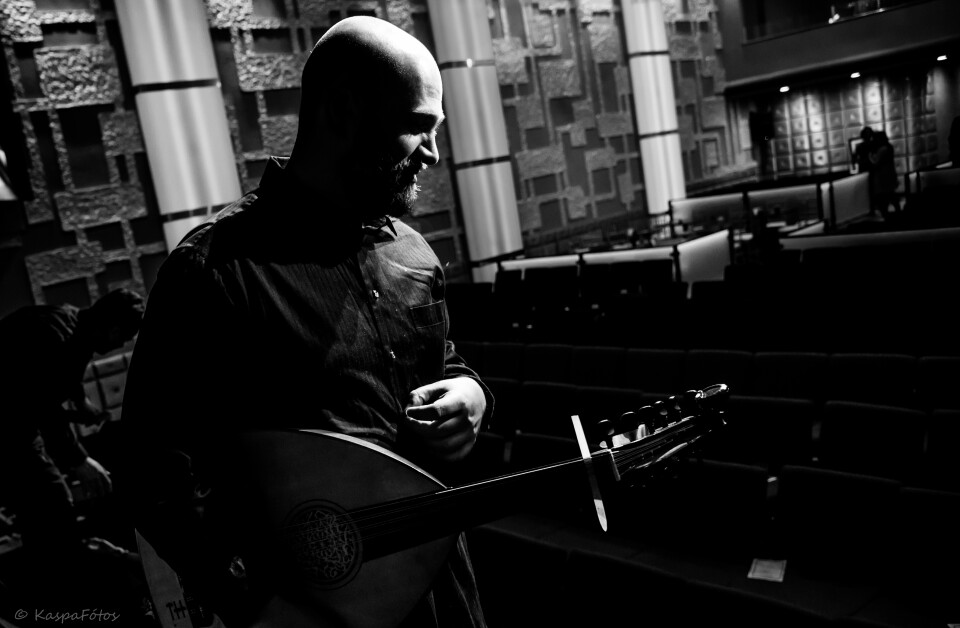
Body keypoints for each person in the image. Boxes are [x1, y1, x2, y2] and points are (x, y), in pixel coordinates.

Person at [120, 15, 493, 628]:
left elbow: (444, 364)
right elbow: (150, 475)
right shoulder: (215, 269)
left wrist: (474, 395)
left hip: (444, 590)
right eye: (417, 127)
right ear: (343, 110)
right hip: (319, 609)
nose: (432, 153)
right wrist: (253, 600)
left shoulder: (414, 254)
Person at [0, 288, 145, 606]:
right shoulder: (57, 339)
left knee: (42, 509)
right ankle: (53, 600)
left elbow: (63, 374)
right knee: (53, 505)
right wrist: (79, 459)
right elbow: (42, 406)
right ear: (111, 325)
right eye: (124, 334)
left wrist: (82, 403)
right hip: (9, 431)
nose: (121, 344)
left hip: (16, 426)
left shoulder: (68, 325)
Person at [868, 130, 898, 218]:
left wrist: (870, 156)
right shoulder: (889, 147)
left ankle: (887, 217)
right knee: (891, 196)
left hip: (883, 178)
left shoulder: (882, 149)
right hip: (890, 175)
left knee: (883, 199)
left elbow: (875, 162)